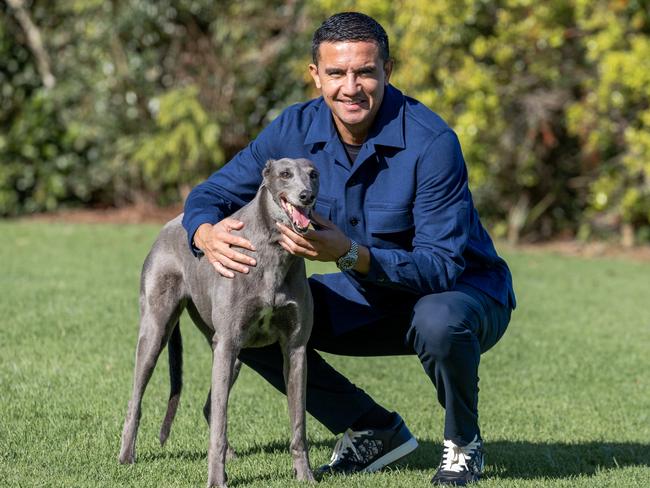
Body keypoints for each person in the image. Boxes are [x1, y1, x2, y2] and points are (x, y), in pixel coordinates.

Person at [182, 11, 516, 486]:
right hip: (371, 292)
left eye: (365, 72)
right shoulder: (291, 131)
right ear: (315, 75)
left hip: (463, 294)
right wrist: (204, 234)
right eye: (336, 73)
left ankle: (463, 443)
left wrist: (348, 254)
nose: (351, 87)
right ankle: (372, 429)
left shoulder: (432, 142)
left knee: (437, 321)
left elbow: (441, 267)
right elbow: (210, 195)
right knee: (252, 320)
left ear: (387, 71)